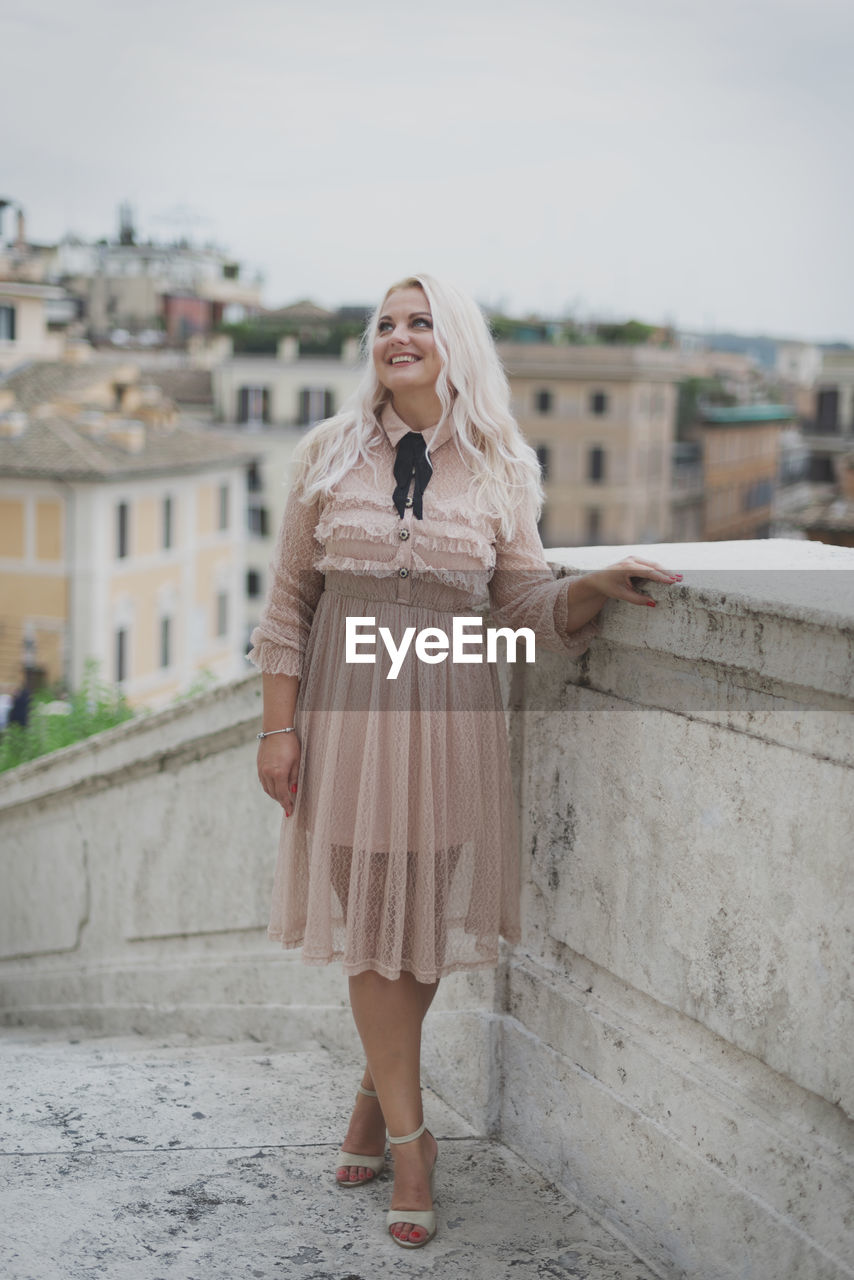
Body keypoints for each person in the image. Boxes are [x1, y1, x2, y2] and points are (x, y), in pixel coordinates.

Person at [250, 273, 682, 1248]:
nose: (398, 336)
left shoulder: (497, 468)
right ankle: (412, 1139)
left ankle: (372, 1089)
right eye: (385, 324)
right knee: (371, 926)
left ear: (457, 345)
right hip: (347, 718)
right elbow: (286, 605)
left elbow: (522, 604)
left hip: (447, 719)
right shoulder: (325, 455)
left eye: (420, 322)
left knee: (416, 928)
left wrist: (594, 585)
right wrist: (278, 728)